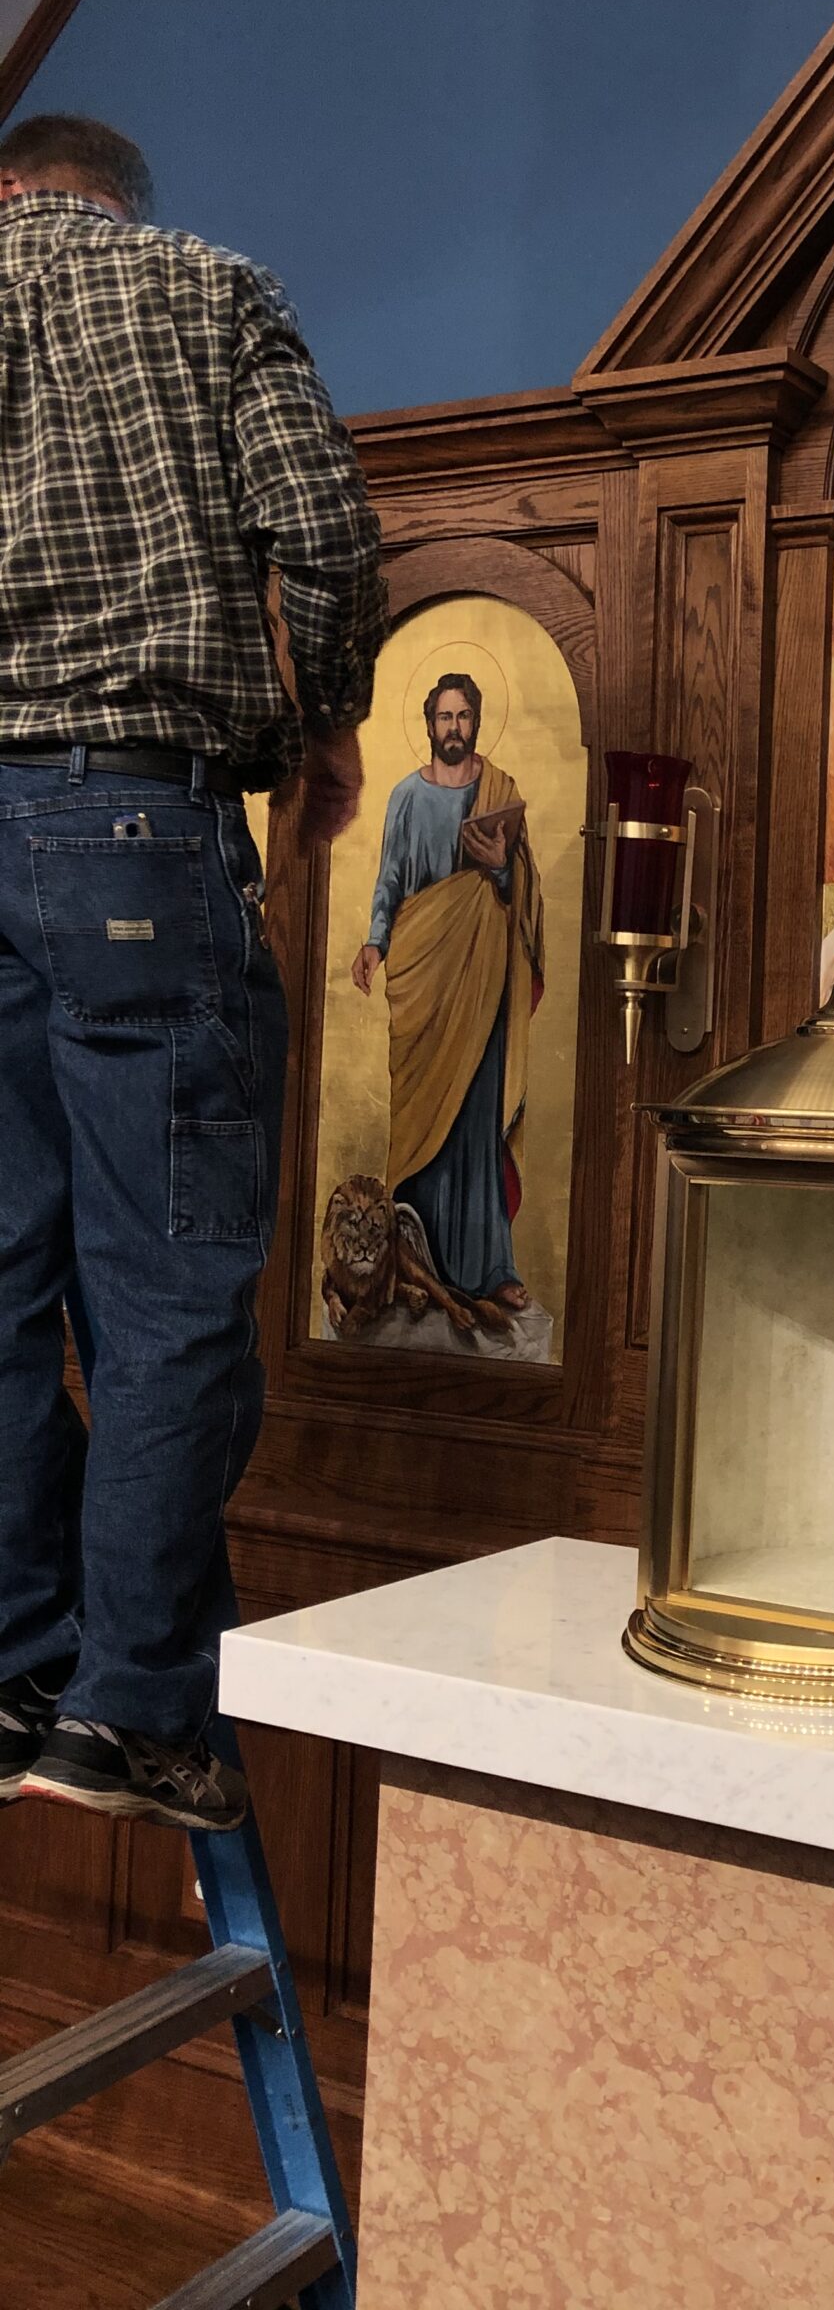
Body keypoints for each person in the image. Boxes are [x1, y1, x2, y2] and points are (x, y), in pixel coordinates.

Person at [0, 115, 386, 1829]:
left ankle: (19, 1663)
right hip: (131, 821)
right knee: (162, 1286)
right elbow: (322, 539)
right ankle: (136, 1711)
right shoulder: (208, 289)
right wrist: (325, 730)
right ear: (114, 203)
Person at [351, 672, 543, 1313]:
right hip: (424, 970)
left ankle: (490, 1269)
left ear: (477, 722)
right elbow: (389, 878)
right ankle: (411, 1263)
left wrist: (496, 866)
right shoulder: (407, 797)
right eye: (443, 717)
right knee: (421, 1117)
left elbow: (525, 897)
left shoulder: (501, 793)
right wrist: (376, 942)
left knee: (476, 1117)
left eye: (463, 717)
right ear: (429, 723)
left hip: (482, 974)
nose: (453, 728)